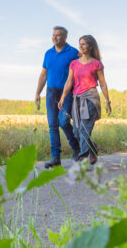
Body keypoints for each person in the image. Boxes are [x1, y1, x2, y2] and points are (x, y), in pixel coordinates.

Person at [58, 35, 111, 165]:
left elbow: (103, 83)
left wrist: (107, 101)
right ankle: (93, 147)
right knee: (76, 131)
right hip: (77, 99)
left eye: (83, 44)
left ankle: (83, 159)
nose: (80, 47)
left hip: (90, 99)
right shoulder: (74, 63)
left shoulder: (96, 63)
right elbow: (69, 81)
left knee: (84, 130)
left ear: (90, 46)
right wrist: (63, 97)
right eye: (79, 44)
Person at [35, 26, 81, 168]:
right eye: (53, 35)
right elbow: (44, 74)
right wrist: (37, 92)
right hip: (50, 92)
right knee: (52, 126)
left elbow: (82, 69)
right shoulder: (48, 53)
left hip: (66, 93)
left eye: (58, 35)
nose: (55, 37)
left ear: (65, 37)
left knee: (63, 121)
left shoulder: (73, 52)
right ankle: (56, 158)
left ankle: (76, 147)